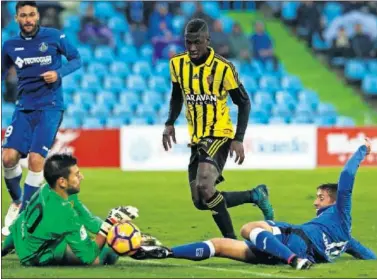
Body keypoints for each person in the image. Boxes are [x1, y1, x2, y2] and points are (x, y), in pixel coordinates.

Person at [134, 139, 376, 270]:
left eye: (320, 198)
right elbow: (366, 255)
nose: (315, 202)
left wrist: (361, 150)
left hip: (293, 241)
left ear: (334, 201)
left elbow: (346, 178)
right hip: (285, 248)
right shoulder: (346, 239)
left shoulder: (341, 214)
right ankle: (168, 252)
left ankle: (292, 260)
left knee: (249, 228)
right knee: (220, 245)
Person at [161, 18, 274, 240]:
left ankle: (231, 243)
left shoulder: (223, 68)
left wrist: (238, 138)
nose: (192, 47)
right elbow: (177, 95)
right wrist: (169, 122)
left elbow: (243, 102)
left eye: (197, 42)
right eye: (188, 42)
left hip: (219, 133)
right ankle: (254, 195)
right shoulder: (177, 64)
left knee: (205, 185)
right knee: (201, 200)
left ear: (207, 40)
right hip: (197, 137)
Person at [1, 1, 82, 236]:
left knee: (36, 160)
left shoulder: (55, 37)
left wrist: (58, 73)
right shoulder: (10, 46)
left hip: (50, 107)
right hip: (24, 108)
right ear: (17, 18)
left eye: (32, 15)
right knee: (7, 158)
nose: (28, 19)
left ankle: (25, 215)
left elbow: (77, 59)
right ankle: (18, 202)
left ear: (38, 16)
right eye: (23, 16)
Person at [1, 153, 140, 266]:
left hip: (19, 234)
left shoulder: (47, 189)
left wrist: (110, 226)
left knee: (24, 221)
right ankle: (132, 249)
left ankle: (3, 248)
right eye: (77, 174)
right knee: (105, 256)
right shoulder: (66, 215)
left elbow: (88, 218)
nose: (82, 177)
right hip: (36, 255)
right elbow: (89, 257)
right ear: (62, 181)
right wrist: (111, 223)